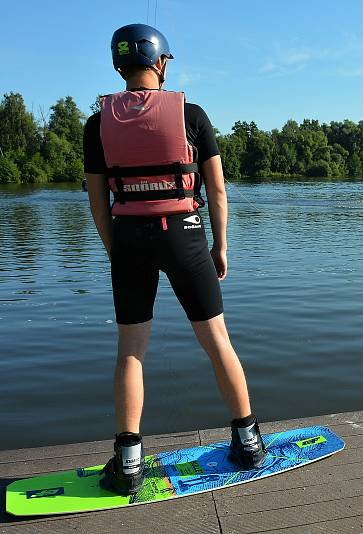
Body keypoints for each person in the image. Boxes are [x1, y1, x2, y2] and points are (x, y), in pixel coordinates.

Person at [83, 24, 266, 495]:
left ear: (120, 65)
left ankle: (128, 462)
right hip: (184, 235)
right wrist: (220, 246)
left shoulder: (96, 123)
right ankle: (247, 441)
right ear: (160, 61)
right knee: (217, 341)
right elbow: (219, 189)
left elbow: (97, 201)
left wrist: (115, 250)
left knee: (130, 350)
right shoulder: (193, 114)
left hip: (128, 238)